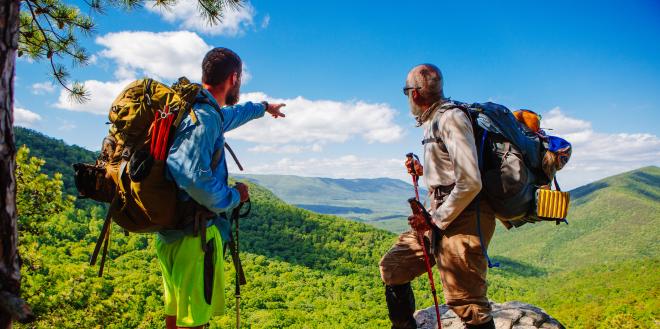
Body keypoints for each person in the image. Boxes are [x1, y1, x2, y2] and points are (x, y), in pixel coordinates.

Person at [156, 47, 286, 329]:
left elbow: (233, 115)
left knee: (176, 316)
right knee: (193, 322)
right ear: (234, 78)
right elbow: (190, 175)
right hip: (194, 237)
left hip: (172, 232)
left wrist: (263, 107)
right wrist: (232, 197)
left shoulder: (197, 111)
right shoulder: (204, 117)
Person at [379, 64, 496, 329]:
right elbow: (451, 171)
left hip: (465, 215)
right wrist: (423, 170)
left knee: (468, 303)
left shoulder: (450, 117)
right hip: (441, 214)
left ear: (415, 94)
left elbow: (470, 181)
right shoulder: (434, 119)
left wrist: (434, 222)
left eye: (405, 92)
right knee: (393, 268)